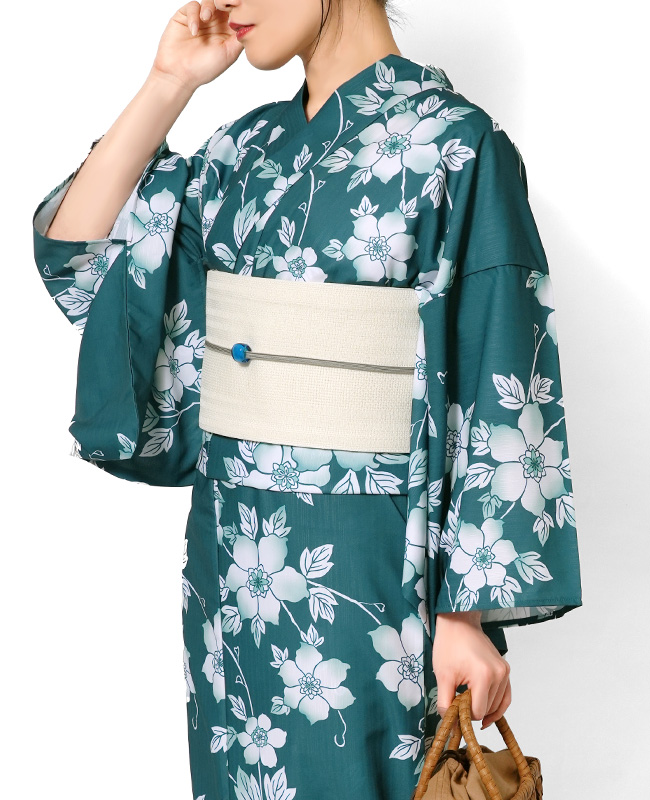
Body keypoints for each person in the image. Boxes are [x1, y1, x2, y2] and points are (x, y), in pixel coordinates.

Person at [31, 1, 583, 798]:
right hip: (234, 571)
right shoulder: (243, 151)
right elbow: (86, 259)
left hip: (372, 572)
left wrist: (463, 617)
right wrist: (168, 82)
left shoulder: (457, 146)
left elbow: (501, 366)